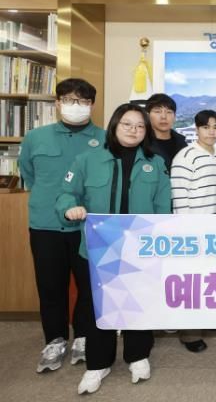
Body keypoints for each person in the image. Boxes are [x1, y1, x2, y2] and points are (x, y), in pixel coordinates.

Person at [55, 103, 170, 394]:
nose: (134, 130)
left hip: (140, 245)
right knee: (98, 306)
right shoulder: (88, 159)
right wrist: (70, 208)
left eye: (140, 126)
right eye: (127, 124)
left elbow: (162, 206)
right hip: (99, 247)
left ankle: (138, 355)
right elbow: (66, 194)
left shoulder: (155, 163)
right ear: (114, 126)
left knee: (138, 300)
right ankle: (98, 363)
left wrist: (160, 240)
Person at [18, 78, 105, 373]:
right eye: (69, 99)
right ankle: (54, 340)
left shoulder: (104, 138)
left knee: (88, 285)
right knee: (50, 285)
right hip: (45, 224)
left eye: (83, 101)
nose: (76, 106)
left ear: (92, 105)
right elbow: (28, 174)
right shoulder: (35, 137)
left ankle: (83, 336)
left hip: (88, 226)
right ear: (57, 103)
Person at [170, 109, 216, 352]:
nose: (211, 132)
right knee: (192, 282)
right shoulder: (185, 156)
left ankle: (210, 321)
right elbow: (179, 195)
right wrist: (186, 230)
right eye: (206, 127)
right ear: (197, 129)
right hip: (193, 229)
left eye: (215, 127)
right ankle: (190, 334)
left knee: (212, 279)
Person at [145, 93, 188, 170]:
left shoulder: (182, 144)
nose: (164, 117)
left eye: (169, 112)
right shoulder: (142, 145)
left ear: (174, 117)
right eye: (157, 111)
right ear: (148, 116)